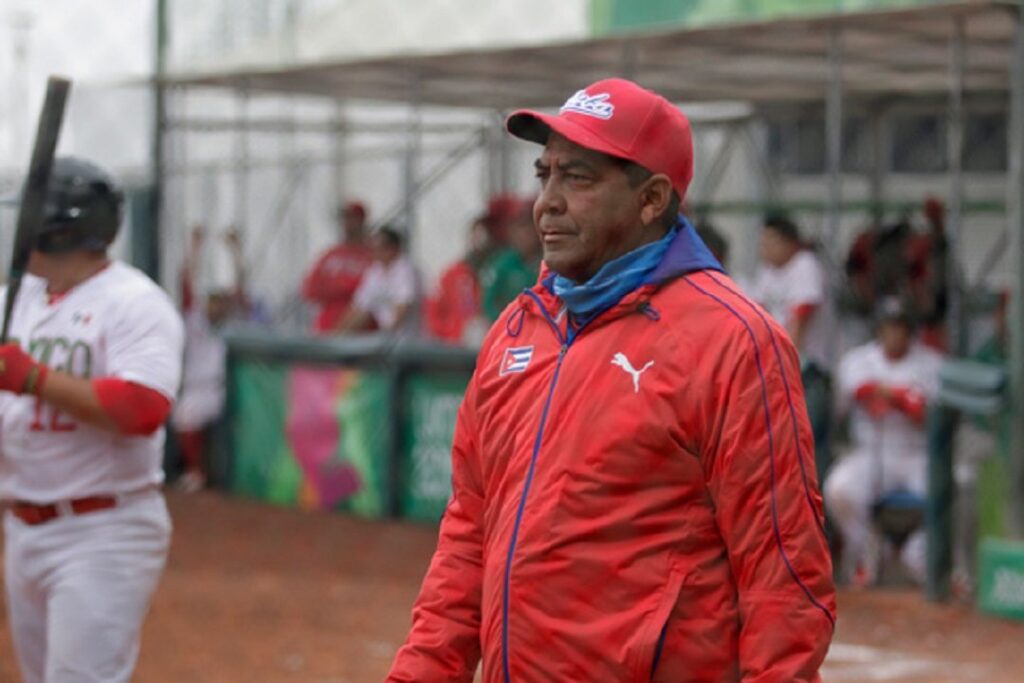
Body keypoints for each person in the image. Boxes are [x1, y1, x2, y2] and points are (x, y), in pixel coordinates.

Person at [388, 78, 835, 682]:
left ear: (651, 199)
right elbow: (469, 533)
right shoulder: (518, 329)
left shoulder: (733, 341)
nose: (546, 201)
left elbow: (782, 577)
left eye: (579, 178)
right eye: (544, 174)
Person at [0, 157, 184, 682]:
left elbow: (143, 408)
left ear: (61, 228)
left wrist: (34, 378)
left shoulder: (134, 303)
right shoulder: (18, 300)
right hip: (23, 525)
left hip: (102, 529)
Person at [824, 297, 943, 586]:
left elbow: (924, 414)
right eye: (890, 326)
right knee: (838, 488)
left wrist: (888, 395)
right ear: (879, 329)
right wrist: (903, 396)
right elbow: (863, 392)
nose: (895, 333)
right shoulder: (858, 360)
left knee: (950, 493)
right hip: (872, 452)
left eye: (901, 327)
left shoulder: (932, 363)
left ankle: (919, 557)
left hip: (918, 455)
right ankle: (873, 552)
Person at [173, 225, 248, 493]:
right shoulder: (194, 320)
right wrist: (195, 247)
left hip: (224, 389)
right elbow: (186, 282)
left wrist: (235, 251)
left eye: (220, 301)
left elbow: (241, 286)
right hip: (197, 389)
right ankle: (195, 473)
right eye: (212, 301)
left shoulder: (234, 321)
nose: (216, 305)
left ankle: (227, 477)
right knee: (184, 416)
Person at [301, 200, 373, 334]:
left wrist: (337, 286)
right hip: (326, 328)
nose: (348, 223)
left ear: (362, 221)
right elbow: (309, 289)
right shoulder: (331, 254)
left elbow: (370, 292)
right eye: (345, 218)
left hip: (362, 332)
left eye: (352, 218)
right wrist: (346, 286)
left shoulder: (373, 254)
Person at [425, 216, 493, 345]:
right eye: (477, 235)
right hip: (457, 346)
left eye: (485, 236)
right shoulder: (453, 274)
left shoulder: (500, 270)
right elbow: (433, 309)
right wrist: (449, 334)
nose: (481, 241)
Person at [338, 227, 420, 333]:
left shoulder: (406, 270)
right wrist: (336, 336)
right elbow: (359, 308)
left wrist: (387, 337)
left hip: (409, 339)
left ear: (392, 249)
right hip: (387, 338)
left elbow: (402, 308)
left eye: (377, 247)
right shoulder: (375, 271)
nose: (372, 251)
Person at [479, 203, 542, 321]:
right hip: (507, 326)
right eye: (520, 229)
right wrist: (503, 320)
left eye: (529, 229)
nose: (525, 236)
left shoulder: (547, 263)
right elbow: (487, 302)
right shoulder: (500, 264)